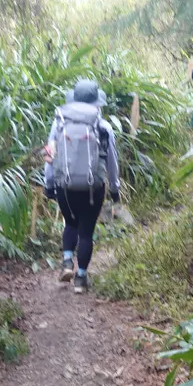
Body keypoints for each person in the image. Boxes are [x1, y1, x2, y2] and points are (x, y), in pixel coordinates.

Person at [44, 79, 120, 293]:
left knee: (70, 223)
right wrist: (115, 189)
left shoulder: (59, 123)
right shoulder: (103, 126)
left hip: (64, 185)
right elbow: (112, 161)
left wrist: (49, 184)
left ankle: (67, 261)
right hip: (93, 187)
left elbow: (50, 155)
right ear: (97, 102)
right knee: (86, 232)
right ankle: (81, 279)